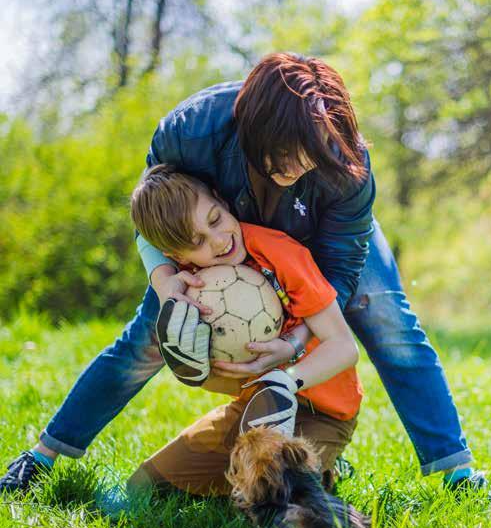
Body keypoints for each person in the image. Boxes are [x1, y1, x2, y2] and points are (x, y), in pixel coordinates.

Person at [1, 53, 490, 496]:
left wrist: (296, 341)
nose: (300, 165)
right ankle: (45, 454)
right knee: (146, 337)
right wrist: (164, 279)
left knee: (389, 321)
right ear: (251, 127)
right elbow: (152, 212)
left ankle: (455, 469)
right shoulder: (189, 132)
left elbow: (342, 267)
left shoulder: (347, 161)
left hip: (325, 243)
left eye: (313, 152)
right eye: (288, 150)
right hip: (217, 235)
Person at [125, 165, 361, 496]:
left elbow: (345, 348)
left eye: (215, 219)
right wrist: (192, 372)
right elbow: (227, 378)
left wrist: (285, 380)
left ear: (221, 201)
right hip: (251, 411)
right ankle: (271, 465)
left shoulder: (278, 252)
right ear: (174, 256)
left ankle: (316, 467)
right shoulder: (189, 288)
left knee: (275, 494)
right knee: (144, 489)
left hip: (322, 410)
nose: (220, 241)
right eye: (198, 241)